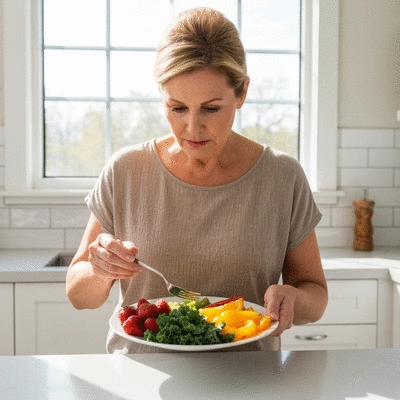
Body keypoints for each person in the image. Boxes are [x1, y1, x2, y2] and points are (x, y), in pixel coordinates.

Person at [66, 7, 328, 353]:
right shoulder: (126, 170)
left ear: (242, 93)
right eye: (177, 108)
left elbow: (315, 295)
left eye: (211, 108)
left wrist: (293, 297)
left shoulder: (282, 176)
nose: (192, 128)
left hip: (248, 380)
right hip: (138, 380)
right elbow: (78, 293)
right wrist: (100, 270)